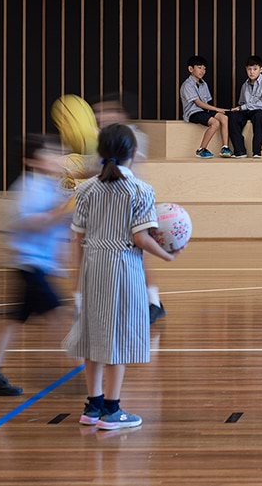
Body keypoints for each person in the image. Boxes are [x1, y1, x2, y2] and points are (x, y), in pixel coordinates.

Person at [64, 124, 179, 431]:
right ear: (132, 154)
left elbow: (76, 238)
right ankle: (112, 411)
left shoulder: (86, 189)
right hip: (123, 268)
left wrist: (77, 280)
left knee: (93, 336)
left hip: (93, 266)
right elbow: (141, 238)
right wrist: (167, 255)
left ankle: (93, 406)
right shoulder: (141, 190)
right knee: (119, 336)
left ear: (100, 153)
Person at [0, 135, 70, 397]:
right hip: (29, 263)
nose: (56, 158)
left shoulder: (54, 187)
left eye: (57, 153)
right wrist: (59, 213)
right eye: (49, 154)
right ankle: (76, 372)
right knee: (60, 315)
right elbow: (29, 222)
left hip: (40, 264)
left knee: (13, 320)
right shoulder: (29, 188)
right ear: (31, 161)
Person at [93, 94, 164, 324]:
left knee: (138, 254)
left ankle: (153, 302)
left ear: (120, 114)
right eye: (97, 113)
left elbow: (118, 165)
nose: (100, 116)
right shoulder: (103, 139)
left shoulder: (133, 136)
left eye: (106, 111)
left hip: (133, 204)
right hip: (113, 204)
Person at [180, 55, 233, 158]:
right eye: (199, 68)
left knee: (224, 117)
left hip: (204, 111)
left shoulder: (204, 84)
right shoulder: (187, 85)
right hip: (193, 112)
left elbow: (207, 103)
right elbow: (198, 103)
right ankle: (201, 149)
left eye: (204, 69)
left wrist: (218, 111)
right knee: (215, 122)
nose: (202, 71)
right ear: (191, 69)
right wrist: (217, 109)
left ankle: (225, 148)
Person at [229, 54, 262, 158]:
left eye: (255, 69)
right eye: (249, 69)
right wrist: (240, 109)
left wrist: (243, 108)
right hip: (249, 111)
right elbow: (241, 103)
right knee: (233, 117)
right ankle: (240, 151)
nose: (252, 72)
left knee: (259, 116)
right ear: (246, 69)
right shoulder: (244, 85)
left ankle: (257, 151)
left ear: (261, 69)